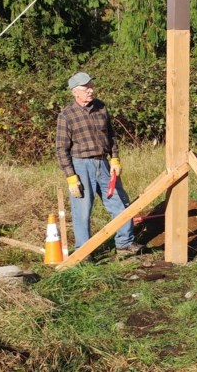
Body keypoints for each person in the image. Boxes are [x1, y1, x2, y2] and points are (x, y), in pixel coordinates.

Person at [56, 72, 141, 258]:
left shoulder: (101, 107)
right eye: (86, 88)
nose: (91, 91)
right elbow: (61, 150)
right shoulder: (66, 116)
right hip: (80, 166)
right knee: (82, 210)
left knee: (120, 202)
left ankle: (125, 244)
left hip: (103, 163)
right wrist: (71, 177)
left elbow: (111, 136)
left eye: (91, 86)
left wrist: (115, 158)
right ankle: (84, 252)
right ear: (75, 92)